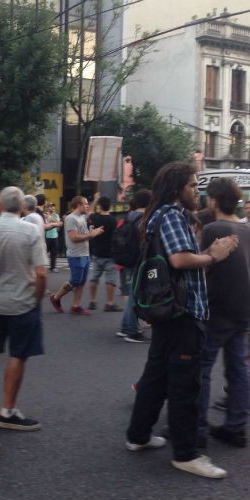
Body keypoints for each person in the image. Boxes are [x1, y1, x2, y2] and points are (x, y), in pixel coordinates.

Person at [126, 162, 237, 479]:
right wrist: (214, 255)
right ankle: (187, 454)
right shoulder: (172, 214)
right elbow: (180, 259)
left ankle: (138, 435)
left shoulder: (157, 214)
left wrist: (207, 252)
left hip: (165, 309)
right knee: (185, 384)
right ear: (177, 188)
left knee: (156, 376)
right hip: (182, 311)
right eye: (192, 184)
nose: (196, 190)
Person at [0, 187, 47, 432]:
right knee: (17, 355)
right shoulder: (30, 231)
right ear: (21, 205)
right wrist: (37, 298)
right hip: (22, 302)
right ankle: (7, 411)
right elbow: (40, 272)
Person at [197, 178, 250, 449]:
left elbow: (203, 265)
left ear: (214, 201)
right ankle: (236, 427)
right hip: (243, 309)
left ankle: (197, 429)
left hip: (216, 309)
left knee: (202, 368)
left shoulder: (213, 228)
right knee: (238, 368)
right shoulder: (246, 229)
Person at [49, 195, 104, 315]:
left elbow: (90, 211)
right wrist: (92, 234)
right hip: (75, 255)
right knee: (75, 280)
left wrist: (95, 200)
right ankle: (55, 297)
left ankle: (76, 306)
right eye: (85, 203)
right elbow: (74, 238)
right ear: (78, 205)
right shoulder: (71, 218)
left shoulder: (82, 217)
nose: (87, 206)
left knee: (82, 282)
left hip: (85, 254)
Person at [116, 189, 151, 343]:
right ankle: (131, 331)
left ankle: (125, 328)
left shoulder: (128, 217)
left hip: (127, 259)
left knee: (132, 294)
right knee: (134, 296)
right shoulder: (144, 219)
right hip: (139, 261)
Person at [86, 196, 122, 312]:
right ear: (109, 206)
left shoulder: (95, 218)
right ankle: (109, 303)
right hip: (110, 254)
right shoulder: (114, 220)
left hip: (97, 252)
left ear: (99, 206)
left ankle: (92, 301)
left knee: (94, 278)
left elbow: (88, 212)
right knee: (111, 280)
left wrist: (95, 199)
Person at [44, 203, 62, 272]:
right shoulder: (45, 215)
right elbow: (47, 224)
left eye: (53, 207)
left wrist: (52, 223)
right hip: (47, 236)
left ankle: (53, 267)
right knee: (45, 252)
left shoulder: (56, 215)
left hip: (55, 236)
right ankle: (41, 267)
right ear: (48, 208)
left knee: (54, 253)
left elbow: (58, 224)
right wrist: (53, 223)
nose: (53, 208)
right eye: (51, 207)